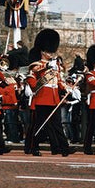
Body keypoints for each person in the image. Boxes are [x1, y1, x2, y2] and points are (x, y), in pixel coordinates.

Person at [25, 29, 74, 157]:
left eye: (52, 51)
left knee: (57, 125)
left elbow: (58, 80)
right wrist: (47, 67)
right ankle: (34, 147)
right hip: (42, 98)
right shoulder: (37, 64)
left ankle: (64, 148)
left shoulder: (55, 65)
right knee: (39, 125)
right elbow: (36, 75)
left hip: (54, 98)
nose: (51, 54)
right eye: (48, 51)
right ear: (42, 51)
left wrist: (64, 90)